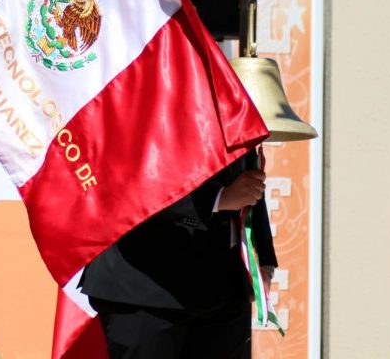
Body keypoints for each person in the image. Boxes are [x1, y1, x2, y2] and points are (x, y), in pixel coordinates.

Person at [81, 148, 277, 359]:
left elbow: (247, 173)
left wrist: (263, 258)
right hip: (145, 286)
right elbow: (128, 174)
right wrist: (218, 199)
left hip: (224, 285)